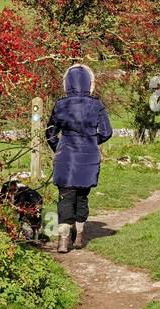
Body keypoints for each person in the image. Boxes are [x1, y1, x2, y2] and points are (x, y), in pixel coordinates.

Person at [45, 63, 112, 252]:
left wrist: (58, 146)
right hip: (88, 158)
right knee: (82, 196)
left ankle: (63, 240)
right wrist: (92, 141)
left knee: (65, 197)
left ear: (67, 82)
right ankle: (79, 237)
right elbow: (107, 132)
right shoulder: (96, 105)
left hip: (65, 156)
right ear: (90, 82)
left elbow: (50, 132)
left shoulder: (60, 105)